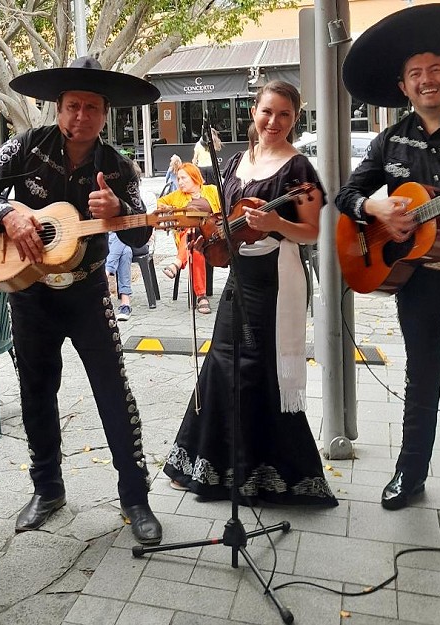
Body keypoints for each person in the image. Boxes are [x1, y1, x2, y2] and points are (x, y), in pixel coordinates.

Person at [0, 56, 163, 545]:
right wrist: (9, 214)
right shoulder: (28, 146)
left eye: (91, 108)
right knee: (36, 392)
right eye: (73, 105)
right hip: (31, 291)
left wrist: (119, 211)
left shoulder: (117, 167)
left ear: (104, 114)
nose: (81, 116)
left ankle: (135, 498)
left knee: (113, 392)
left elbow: (140, 237)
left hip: (88, 290)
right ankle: (47, 489)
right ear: (59, 109)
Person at [335, 4, 440, 511]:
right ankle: (409, 475)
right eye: (415, 74)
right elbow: (346, 194)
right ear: (403, 86)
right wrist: (373, 204)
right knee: (422, 377)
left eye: (434, 71)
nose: (426, 81)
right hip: (416, 279)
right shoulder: (390, 138)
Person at [163, 80, 336, 507]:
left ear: (295, 120)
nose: (274, 121)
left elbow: (312, 230)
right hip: (240, 277)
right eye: (267, 112)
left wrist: (276, 224)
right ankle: (209, 465)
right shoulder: (238, 160)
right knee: (222, 363)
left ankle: (273, 474)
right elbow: (223, 215)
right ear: (253, 114)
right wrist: (204, 215)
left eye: (284, 115)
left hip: (276, 280)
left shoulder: (299, 170)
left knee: (262, 370)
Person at [159, 162, 220, 314]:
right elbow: (160, 202)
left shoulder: (211, 190)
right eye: (178, 179)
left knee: (196, 235)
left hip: (212, 237)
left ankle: (177, 263)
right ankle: (201, 297)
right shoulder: (178, 195)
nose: (179, 182)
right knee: (194, 243)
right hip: (191, 238)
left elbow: (224, 209)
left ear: (194, 177)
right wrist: (171, 210)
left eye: (183, 178)